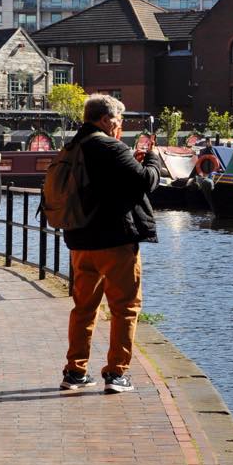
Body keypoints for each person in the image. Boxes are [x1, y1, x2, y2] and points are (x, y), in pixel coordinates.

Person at [59, 95, 165, 394]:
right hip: (115, 240)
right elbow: (145, 181)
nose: (119, 127)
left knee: (83, 308)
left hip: (81, 240)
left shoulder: (73, 145)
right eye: (118, 121)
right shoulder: (108, 145)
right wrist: (153, 160)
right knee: (125, 308)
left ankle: (75, 371)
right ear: (106, 120)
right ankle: (117, 373)